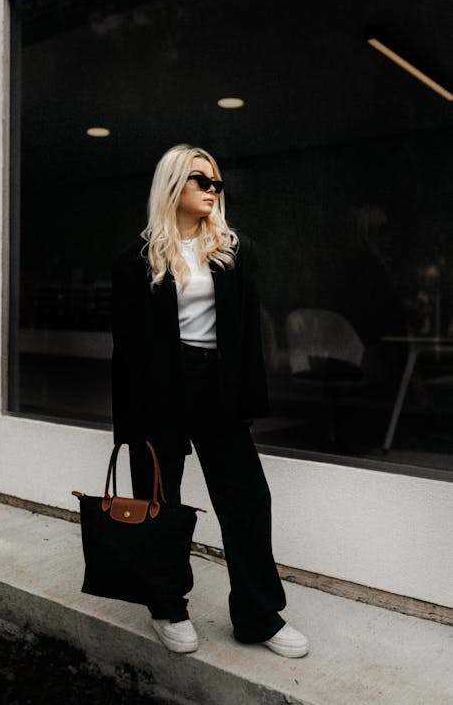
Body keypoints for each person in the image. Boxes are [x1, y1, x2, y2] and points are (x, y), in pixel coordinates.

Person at [111, 143, 309, 658]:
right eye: (202, 180)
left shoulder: (234, 251)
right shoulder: (137, 258)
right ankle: (167, 606)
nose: (213, 191)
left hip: (216, 385)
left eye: (217, 183)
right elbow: (126, 350)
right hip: (161, 388)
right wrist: (129, 423)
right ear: (173, 185)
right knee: (160, 500)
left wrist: (247, 402)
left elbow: (247, 340)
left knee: (247, 499)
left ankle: (259, 615)